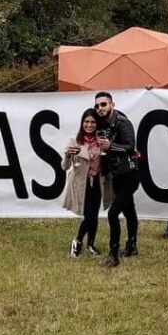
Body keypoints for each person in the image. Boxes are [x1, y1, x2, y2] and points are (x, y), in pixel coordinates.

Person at [94, 91, 139, 268]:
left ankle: (114, 254)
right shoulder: (101, 125)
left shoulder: (122, 122)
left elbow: (130, 147)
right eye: (97, 106)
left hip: (130, 174)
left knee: (113, 213)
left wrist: (110, 146)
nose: (100, 108)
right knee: (129, 211)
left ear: (112, 104)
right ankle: (132, 246)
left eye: (103, 104)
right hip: (116, 176)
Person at [62, 108, 113, 257]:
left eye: (92, 122)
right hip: (81, 185)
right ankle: (77, 241)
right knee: (89, 216)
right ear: (82, 123)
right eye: (86, 121)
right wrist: (67, 155)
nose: (89, 125)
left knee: (94, 216)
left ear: (97, 124)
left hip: (98, 183)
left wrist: (109, 149)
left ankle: (91, 244)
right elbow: (65, 166)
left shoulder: (102, 140)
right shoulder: (75, 141)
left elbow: (107, 159)